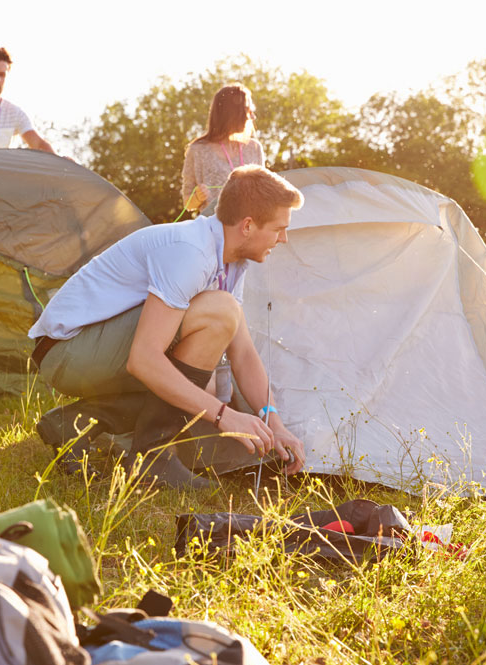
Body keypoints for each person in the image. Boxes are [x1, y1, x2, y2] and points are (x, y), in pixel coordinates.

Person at [30, 165, 306, 489]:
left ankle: (74, 423)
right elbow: (144, 359)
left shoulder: (232, 263)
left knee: (206, 387)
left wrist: (275, 423)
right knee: (219, 319)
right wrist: (224, 415)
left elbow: (243, 353)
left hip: (89, 352)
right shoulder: (190, 251)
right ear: (247, 225)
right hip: (66, 351)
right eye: (279, 229)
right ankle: (152, 459)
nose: (283, 238)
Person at [180, 83, 265, 217]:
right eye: (248, 110)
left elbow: (263, 194)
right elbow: (187, 203)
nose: (253, 117)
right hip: (213, 232)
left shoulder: (254, 148)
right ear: (231, 113)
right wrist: (197, 197)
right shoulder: (198, 150)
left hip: (249, 230)